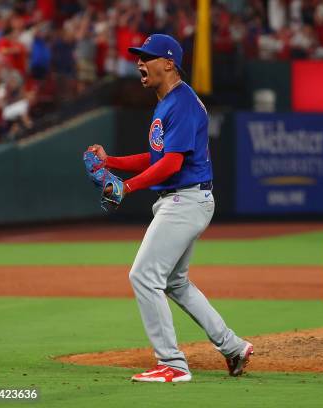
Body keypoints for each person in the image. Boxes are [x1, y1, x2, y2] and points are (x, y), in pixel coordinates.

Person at [87, 34, 253, 383]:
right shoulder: (167, 102)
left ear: (168, 63)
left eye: (146, 57)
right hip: (185, 199)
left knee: (143, 275)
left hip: (185, 199)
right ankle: (233, 347)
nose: (139, 63)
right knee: (176, 283)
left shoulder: (182, 103)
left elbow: (172, 165)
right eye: (138, 57)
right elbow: (157, 157)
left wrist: (127, 187)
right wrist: (112, 162)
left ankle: (173, 364)